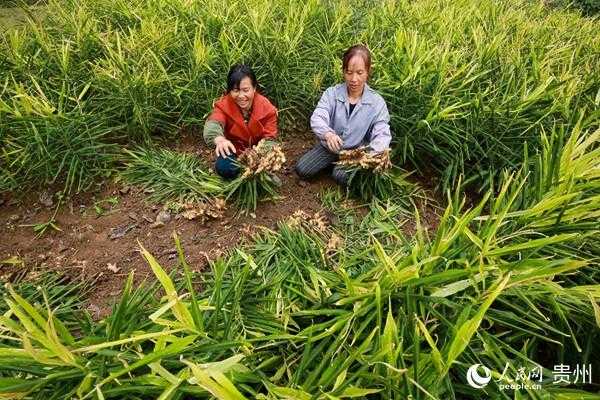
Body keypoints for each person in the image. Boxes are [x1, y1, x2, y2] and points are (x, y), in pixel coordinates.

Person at [295, 44, 392, 185]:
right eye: (349, 72)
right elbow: (318, 117)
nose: (354, 79)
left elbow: (382, 133)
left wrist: (371, 157)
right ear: (343, 71)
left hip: (355, 154)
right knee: (302, 169)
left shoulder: (377, 103)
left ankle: (337, 168)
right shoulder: (332, 93)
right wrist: (328, 134)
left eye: (359, 73)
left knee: (340, 176)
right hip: (330, 147)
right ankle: (330, 162)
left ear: (368, 72)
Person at [203, 64, 278, 179]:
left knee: (271, 162)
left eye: (246, 90)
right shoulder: (224, 105)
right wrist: (219, 140)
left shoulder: (267, 109)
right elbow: (213, 123)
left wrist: (259, 155)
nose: (241, 96)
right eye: (236, 90)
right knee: (224, 167)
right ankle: (239, 176)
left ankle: (258, 174)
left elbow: (270, 138)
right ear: (229, 91)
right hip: (234, 151)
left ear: (254, 88)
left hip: (258, 154)